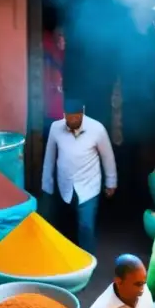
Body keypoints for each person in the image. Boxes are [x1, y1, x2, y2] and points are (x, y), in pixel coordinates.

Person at [41, 98, 117, 256]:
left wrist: (111, 182)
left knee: (86, 226)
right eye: (70, 116)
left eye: (77, 116)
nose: (74, 120)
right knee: (65, 225)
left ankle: (88, 260)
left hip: (89, 186)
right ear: (64, 115)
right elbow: (49, 158)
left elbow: (107, 157)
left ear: (83, 113)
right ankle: (69, 261)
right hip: (65, 185)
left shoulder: (97, 129)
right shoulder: (56, 128)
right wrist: (46, 185)